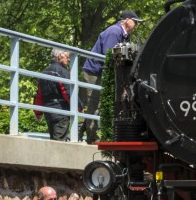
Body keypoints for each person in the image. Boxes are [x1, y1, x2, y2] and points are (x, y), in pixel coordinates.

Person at [80, 10, 142, 142]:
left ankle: (81, 134)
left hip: (100, 72)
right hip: (94, 72)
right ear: (127, 20)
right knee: (94, 105)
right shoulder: (114, 32)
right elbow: (109, 56)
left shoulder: (124, 35)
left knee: (95, 105)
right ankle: (92, 138)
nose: (136, 25)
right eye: (135, 22)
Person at [39, 48, 73, 141]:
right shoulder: (62, 72)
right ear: (60, 56)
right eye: (67, 57)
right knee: (59, 143)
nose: (69, 59)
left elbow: (39, 94)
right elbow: (67, 92)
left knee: (53, 140)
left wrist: (38, 112)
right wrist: (79, 106)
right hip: (61, 112)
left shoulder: (44, 71)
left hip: (48, 112)